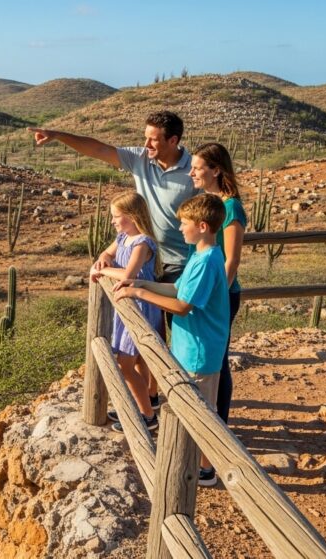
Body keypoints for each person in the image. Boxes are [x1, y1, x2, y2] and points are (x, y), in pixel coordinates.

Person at [30, 111, 199, 406]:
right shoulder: (140, 159)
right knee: (151, 334)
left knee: (180, 334)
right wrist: (58, 135)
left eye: (153, 139)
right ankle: (153, 396)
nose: (146, 143)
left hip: (179, 263)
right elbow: (98, 149)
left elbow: (212, 208)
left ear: (173, 140)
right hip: (147, 260)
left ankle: (190, 401)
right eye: (145, 137)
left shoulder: (192, 173)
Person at [112, 193, 230, 487]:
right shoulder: (201, 255)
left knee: (201, 412)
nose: (180, 229)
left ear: (202, 226)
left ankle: (206, 468)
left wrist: (139, 293)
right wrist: (140, 282)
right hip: (192, 345)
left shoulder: (206, 261)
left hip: (200, 350)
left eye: (184, 223)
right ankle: (199, 464)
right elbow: (177, 289)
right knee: (192, 407)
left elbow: (182, 305)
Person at [89, 192, 164, 433]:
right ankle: (147, 400)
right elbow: (108, 254)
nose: (112, 221)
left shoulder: (142, 243)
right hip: (127, 305)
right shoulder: (123, 237)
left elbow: (129, 275)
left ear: (132, 217)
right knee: (138, 359)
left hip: (140, 306)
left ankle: (147, 415)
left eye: (116, 216)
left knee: (125, 363)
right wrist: (102, 259)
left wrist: (101, 273)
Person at [189, 143, 246, 425]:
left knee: (218, 360)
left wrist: (214, 297)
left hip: (220, 295)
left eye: (198, 168)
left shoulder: (230, 206)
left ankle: (219, 425)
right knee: (211, 359)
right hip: (207, 293)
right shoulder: (209, 203)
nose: (191, 173)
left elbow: (232, 260)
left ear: (216, 170)